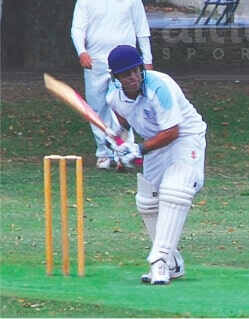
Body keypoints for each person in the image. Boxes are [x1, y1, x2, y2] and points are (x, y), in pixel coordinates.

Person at [106, 45, 207, 285]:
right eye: (125, 74)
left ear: (141, 68)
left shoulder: (160, 86)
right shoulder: (113, 96)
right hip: (155, 143)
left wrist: (139, 149)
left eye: (135, 71)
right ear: (115, 77)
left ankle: (159, 261)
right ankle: (172, 263)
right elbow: (123, 122)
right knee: (147, 200)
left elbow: (173, 131)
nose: (132, 77)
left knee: (176, 188)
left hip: (185, 137)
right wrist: (119, 145)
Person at [71, 0, 153, 169]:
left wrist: (148, 59)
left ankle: (125, 152)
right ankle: (104, 153)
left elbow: (142, 28)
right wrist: (82, 51)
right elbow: (77, 28)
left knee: (125, 106)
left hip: (126, 64)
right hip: (95, 61)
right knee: (97, 108)